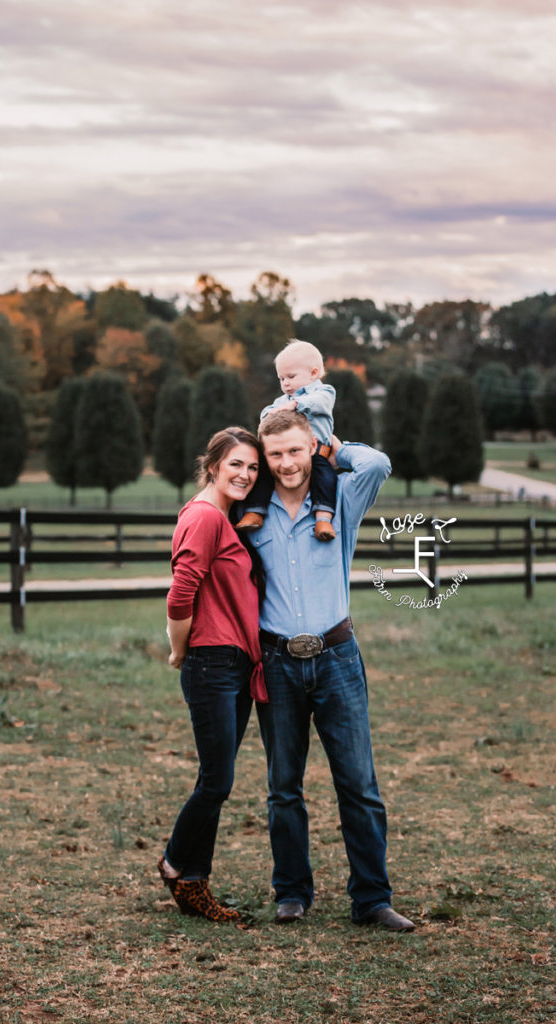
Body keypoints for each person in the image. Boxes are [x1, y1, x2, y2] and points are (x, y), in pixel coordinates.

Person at [250, 409, 415, 931]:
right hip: (276, 661)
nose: (286, 463)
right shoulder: (251, 511)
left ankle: (372, 899)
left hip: (336, 658)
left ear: (310, 447)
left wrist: (332, 448)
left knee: (359, 784)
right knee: (283, 785)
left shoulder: (339, 501)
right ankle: (292, 892)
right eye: (275, 454)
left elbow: (378, 463)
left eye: (295, 451)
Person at [158, 426, 267, 923]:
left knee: (214, 777)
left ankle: (195, 886)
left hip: (233, 663)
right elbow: (180, 594)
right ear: (213, 466)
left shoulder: (223, 517)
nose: (245, 474)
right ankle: (174, 863)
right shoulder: (204, 517)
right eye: (236, 464)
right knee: (218, 780)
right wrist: (180, 650)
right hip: (211, 663)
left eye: (252, 467)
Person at [236, 340, 338, 542]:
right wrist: (270, 414)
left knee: (326, 479)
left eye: (291, 377)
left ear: (314, 373)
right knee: (264, 472)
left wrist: (295, 405)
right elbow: (268, 412)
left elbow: (318, 403)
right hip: (287, 451)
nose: (286, 383)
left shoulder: (323, 393)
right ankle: (255, 511)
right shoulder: (282, 400)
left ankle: (323, 518)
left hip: (318, 453)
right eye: (281, 378)